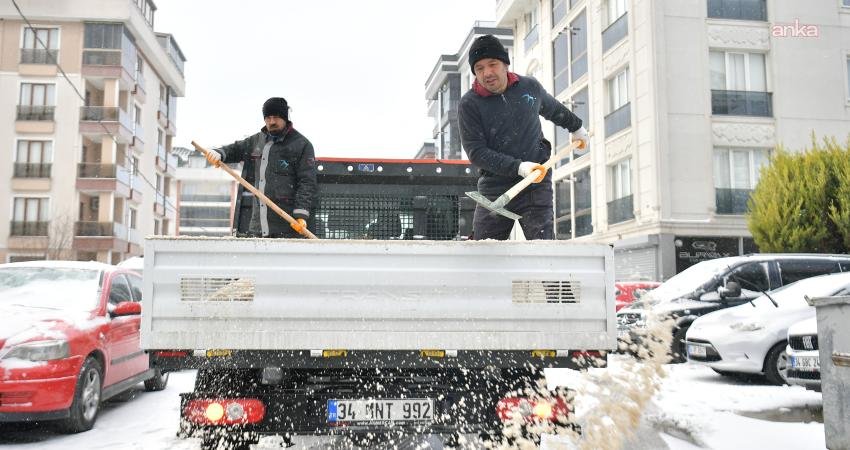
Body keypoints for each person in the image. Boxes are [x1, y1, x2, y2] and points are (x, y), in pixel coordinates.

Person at [458, 35, 588, 240]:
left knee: (542, 251)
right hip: (494, 191)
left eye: (492, 64)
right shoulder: (469, 104)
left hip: (535, 185)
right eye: (480, 68)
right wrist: (519, 167)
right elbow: (477, 152)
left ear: (505, 65)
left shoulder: (529, 87)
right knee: (484, 253)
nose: (487, 73)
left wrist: (577, 127)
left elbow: (553, 109)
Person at [206, 97, 317, 238]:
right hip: (258, 227)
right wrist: (219, 153)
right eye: (268, 118)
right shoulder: (257, 141)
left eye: (276, 117)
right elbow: (235, 149)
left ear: (285, 118)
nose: (271, 122)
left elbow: (307, 182)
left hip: (288, 227)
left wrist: (301, 215)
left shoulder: (301, 145)